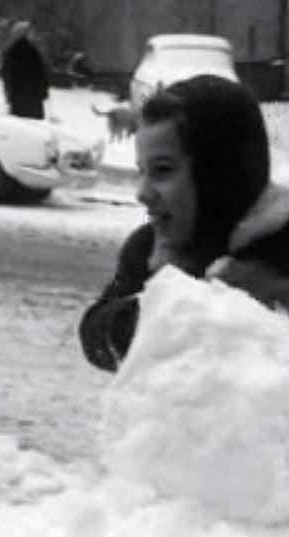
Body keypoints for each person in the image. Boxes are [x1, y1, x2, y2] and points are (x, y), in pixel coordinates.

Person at [79, 74, 289, 371]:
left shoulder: (279, 242)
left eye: (163, 171)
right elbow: (96, 336)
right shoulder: (150, 247)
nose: (142, 193)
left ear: (219, 174)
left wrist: (277, 294)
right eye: (142, 172)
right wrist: (170, 300)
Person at [0, 20, 50, 119]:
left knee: (19, 125)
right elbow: (41, 74)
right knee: (33, 126)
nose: (33, 35)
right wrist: (44, 92)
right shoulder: (33, 52)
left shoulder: (10, 51)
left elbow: (6, 75)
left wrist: (8, 94)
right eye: (31, 32)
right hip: (33, 97)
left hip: (17, 96)